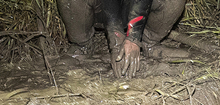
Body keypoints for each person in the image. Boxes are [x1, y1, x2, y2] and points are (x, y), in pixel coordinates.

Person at [56, 0, 186, 78]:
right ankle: (82, 45)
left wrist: (134, 37)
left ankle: (150, 43)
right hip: (98, 8)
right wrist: (116, 40)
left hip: (134, 7)